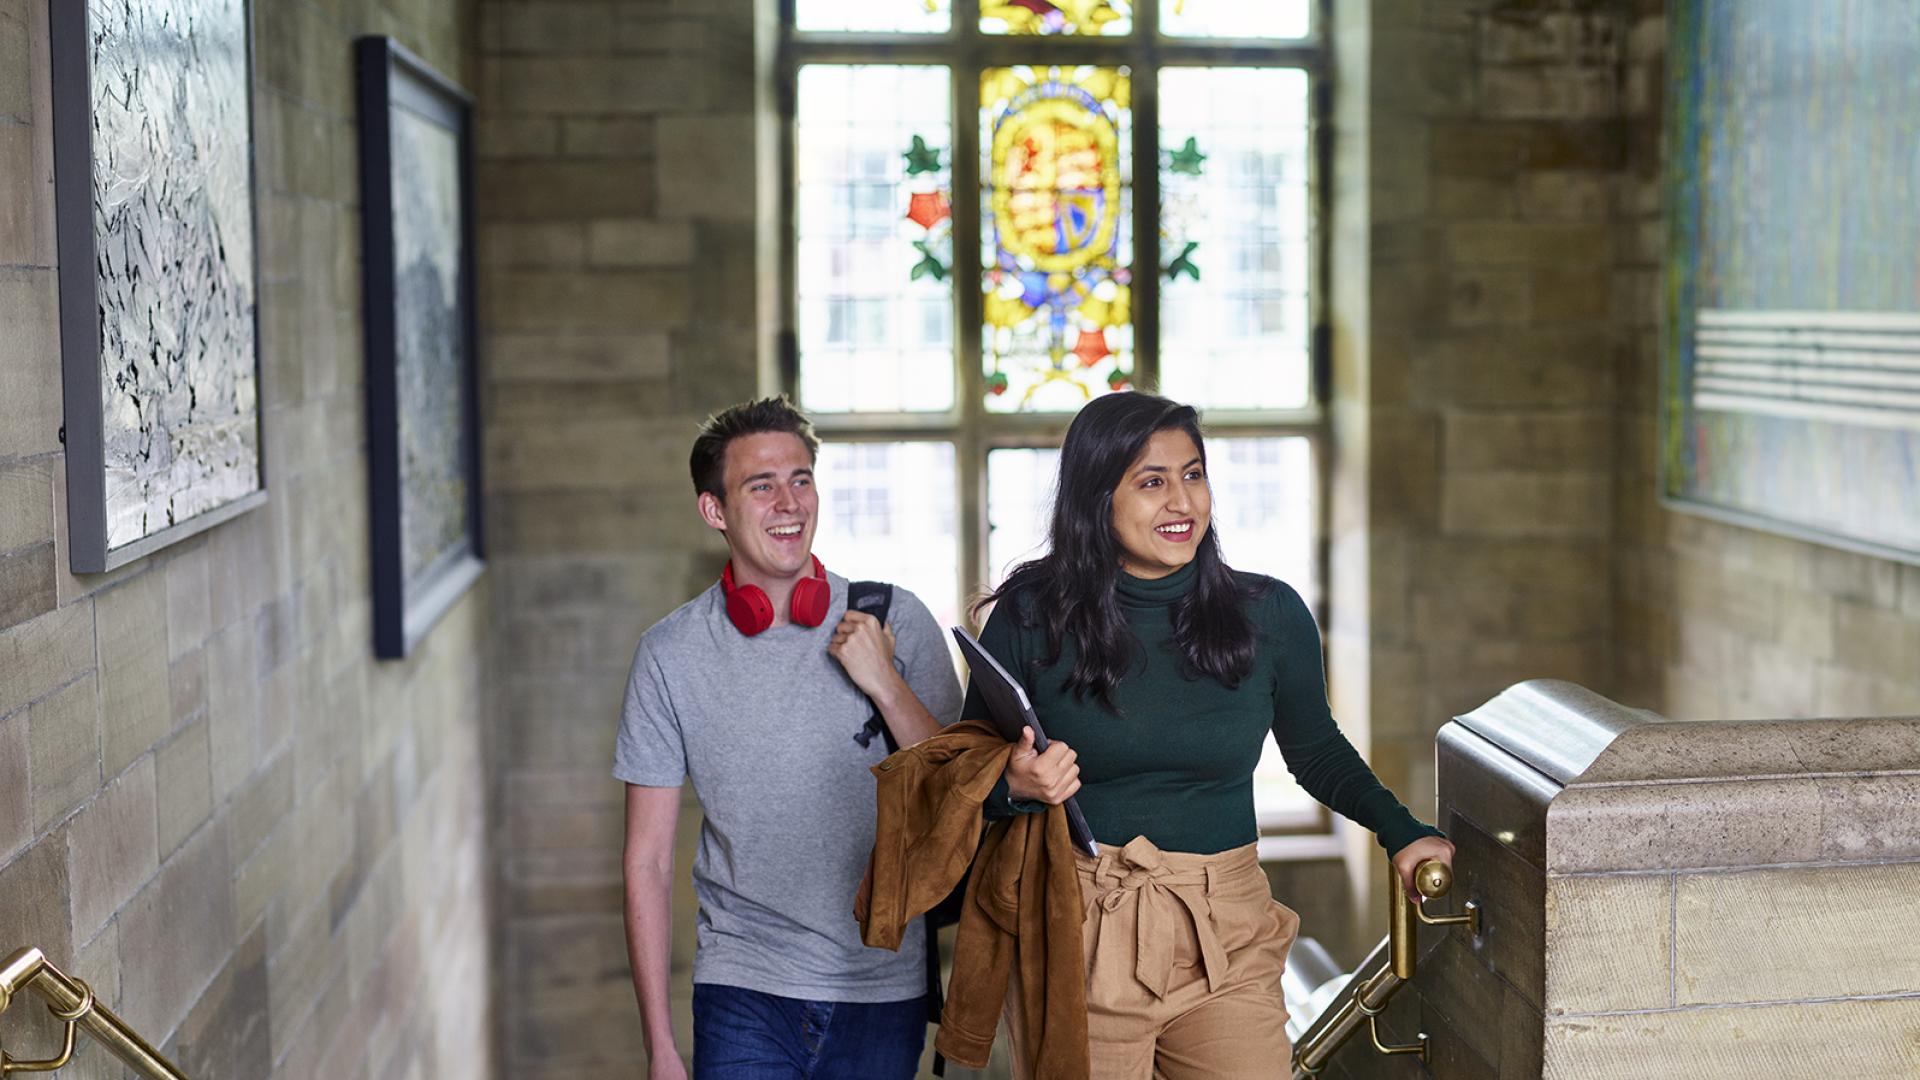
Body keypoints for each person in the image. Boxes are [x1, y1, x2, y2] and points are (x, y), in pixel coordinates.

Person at [971, 391, 1454, 1080]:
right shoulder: (1029, 615)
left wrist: (1401, 830)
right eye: (1151, 481)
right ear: (1094, 498)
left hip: (1224, 923)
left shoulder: (1269, 614)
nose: (1181, 502)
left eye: (1193, 474)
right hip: (1078, 921)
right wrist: (1014, 785)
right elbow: (962, 772)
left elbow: (1315, 749)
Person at [615, 396, 964, 1080]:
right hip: (742, 983)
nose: (789, 503)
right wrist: (659, 1045)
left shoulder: (896, 618)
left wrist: (886, 683)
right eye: (762, 485)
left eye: (801, 479)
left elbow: (960, 798)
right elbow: (647, 862)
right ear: (715, 510)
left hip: (881, 989)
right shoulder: (670, 655)